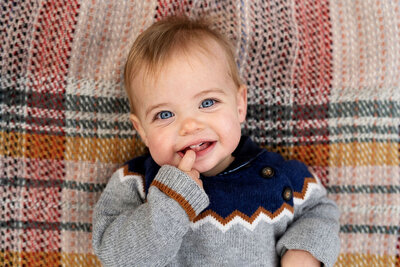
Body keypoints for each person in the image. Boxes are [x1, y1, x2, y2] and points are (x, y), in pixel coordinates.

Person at [92, 16, 340, 267]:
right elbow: (114, 256)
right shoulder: (137, 181)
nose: (190, 126)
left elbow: (320, 210)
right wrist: (172, 203)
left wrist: (305, 252)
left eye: (207, 103)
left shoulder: (280, 175)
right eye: (165, 115)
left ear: (239, 105)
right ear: (142, 131)